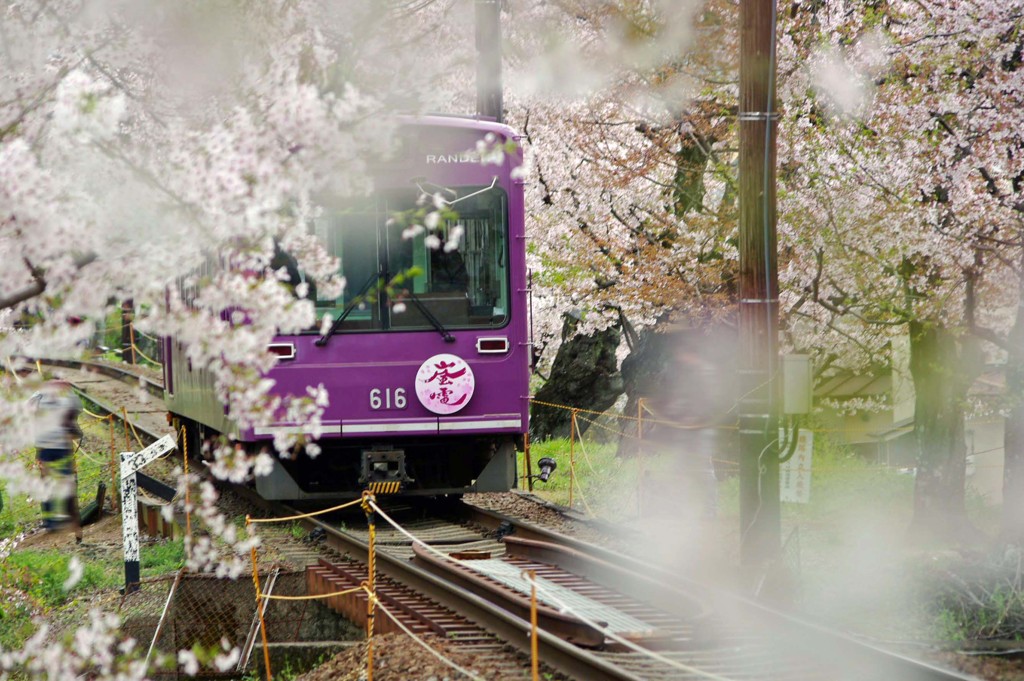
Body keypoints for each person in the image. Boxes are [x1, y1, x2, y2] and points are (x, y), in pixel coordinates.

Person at [30, 380, 83, 539]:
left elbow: (77, 408)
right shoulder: (39, 396)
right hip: (45, 448)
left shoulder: (66, 397)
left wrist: (69, 391)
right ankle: (50, 521)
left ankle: (69, 519)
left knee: (67, 483)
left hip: (62, 447)